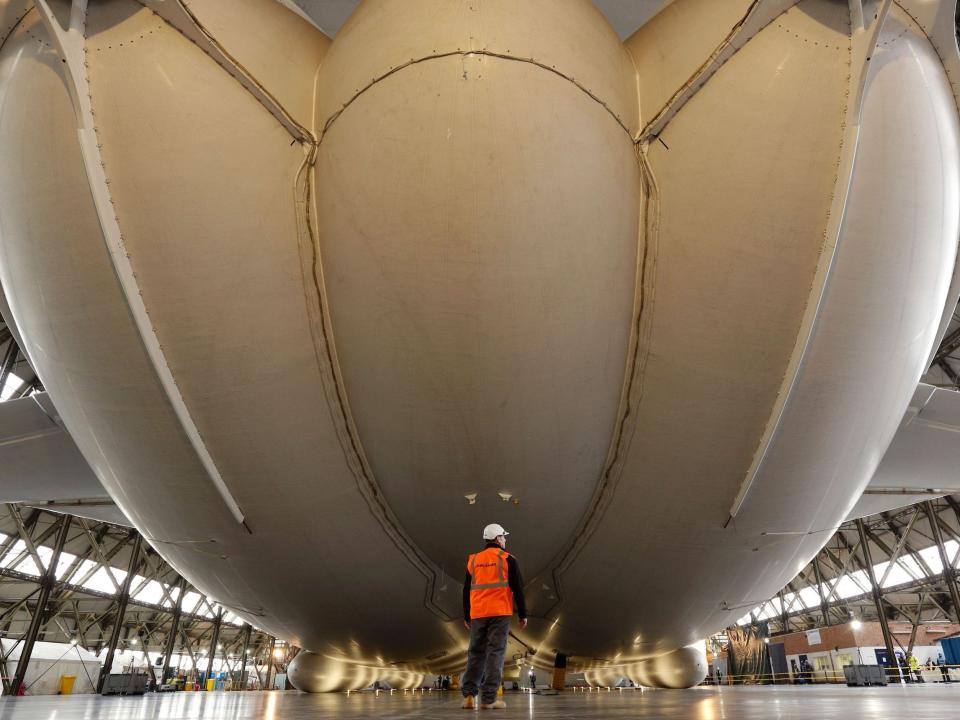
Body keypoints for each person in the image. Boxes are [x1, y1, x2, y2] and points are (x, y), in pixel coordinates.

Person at [461, 523, 527, 710]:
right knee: (495, 654)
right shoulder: (508, 559)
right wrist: (523, 613)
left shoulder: (473, 560)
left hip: (478, 613)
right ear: (497, 538)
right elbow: (518, 589)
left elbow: (466, 591)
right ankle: (488, 699)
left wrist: (467, 615)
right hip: (500, 613)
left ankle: (469, 696)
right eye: (504, 537)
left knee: (475, 654)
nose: (505, 539)